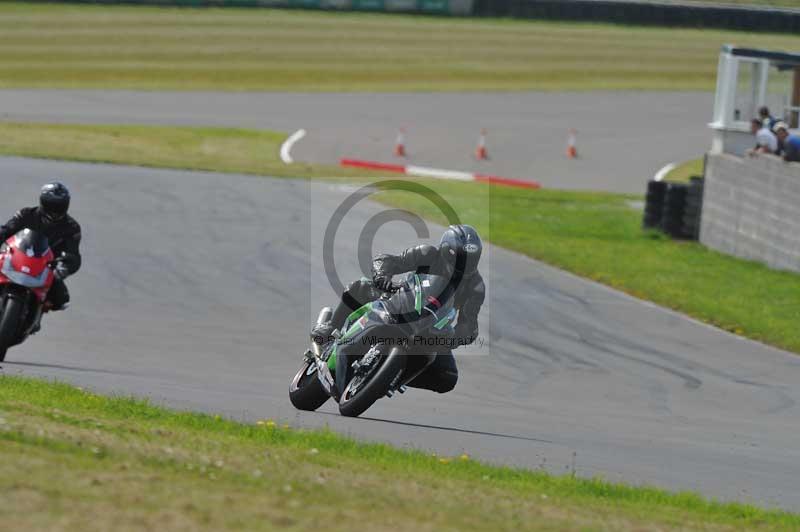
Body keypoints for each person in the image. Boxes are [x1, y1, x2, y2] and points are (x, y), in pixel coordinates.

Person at [311, 224, 485, 394]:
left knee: (447, 377)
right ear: (447, 251)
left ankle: (392, 376)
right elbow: (388, 261)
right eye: (461, 258)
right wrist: (382, 276)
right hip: (400, 302)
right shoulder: (428, 254)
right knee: (360, 287)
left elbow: (469, 325)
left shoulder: (475, 286)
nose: (465, 264)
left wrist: (453, 338)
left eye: (471, 259)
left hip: (430, 330)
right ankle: (330, 328)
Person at [0, 183, 82, 315]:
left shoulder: (72, 227)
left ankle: (36, 312)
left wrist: (64, 266)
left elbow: (73, 254)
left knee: (61, 299)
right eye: (51, 204)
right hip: (18, 258)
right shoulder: (26, 214)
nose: (55, 209)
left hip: (46, 267)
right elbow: (8, 229)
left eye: (60, 205)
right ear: (43, 202)